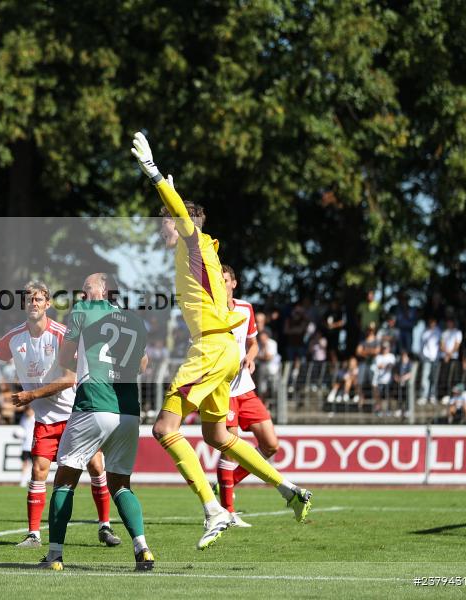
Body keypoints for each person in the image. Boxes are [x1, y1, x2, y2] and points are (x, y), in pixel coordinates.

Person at [131, 132, 311, 551]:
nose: (162, 228)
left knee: (164, 428)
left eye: (166, 222)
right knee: (217, 437)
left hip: (211, 349)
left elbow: (181, 215)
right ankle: (290, 490)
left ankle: (213, 510)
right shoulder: (199, 252)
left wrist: (155, 175)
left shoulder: (193, 244)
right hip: (222, 351)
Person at [0, 281, 119, 548]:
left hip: (75, 414)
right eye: (29, 299)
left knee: (96, 466)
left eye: (38, 299)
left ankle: (105, 526)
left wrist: (31, 395)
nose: (33, 303)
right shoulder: (13, 338)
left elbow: (69, 379)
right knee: (39, 471)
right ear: (24, 304)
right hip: (45, 419)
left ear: (47, 304)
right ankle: (33, 534)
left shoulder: (61, 335)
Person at [35, 273, 154, 571]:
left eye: (87, 287)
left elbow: (64, 358)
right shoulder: (134, 321)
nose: (82, 292)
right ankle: (143, 550)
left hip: (93, 404)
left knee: (64, 479)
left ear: (104, 290)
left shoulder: (82, 311)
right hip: (127, 411)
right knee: (120, 484)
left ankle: (54, 556)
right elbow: (142, 364)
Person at [214, 266, 282, 528]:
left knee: (271, 445)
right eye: (217, 281)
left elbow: (253, 343)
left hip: (245, 387)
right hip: (223, 390)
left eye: (225, 281)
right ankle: (227, 511)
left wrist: (250, 359)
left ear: (234, 283)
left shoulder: (245, 308)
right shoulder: (210, 311)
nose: (221, 285)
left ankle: (227, 483)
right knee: (230, 448)